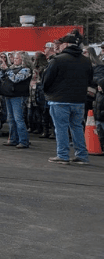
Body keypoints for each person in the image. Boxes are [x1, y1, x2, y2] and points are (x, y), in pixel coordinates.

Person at [43, 30, 94, 165]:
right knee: (77, 127)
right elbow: (90, 80)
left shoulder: (58, 60)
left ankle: (63, 155)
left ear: (66, 44)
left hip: (59, 99)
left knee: (60, 128)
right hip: (78, 100)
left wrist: (49, 93)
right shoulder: (85, 61)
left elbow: (46, 80)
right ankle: (82, 155)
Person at [0, 51, 31, 148]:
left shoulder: (26, 70)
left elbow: (16, 79)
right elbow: (2, 77)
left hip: (18, 96)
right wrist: (3, 70)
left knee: (18, 119)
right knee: (11, 119)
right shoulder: (12, 68)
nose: (14, 60)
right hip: (9, 95)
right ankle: (13, 139)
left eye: (17, 58)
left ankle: (23, 140)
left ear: (23, 60)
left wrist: (7, 70)